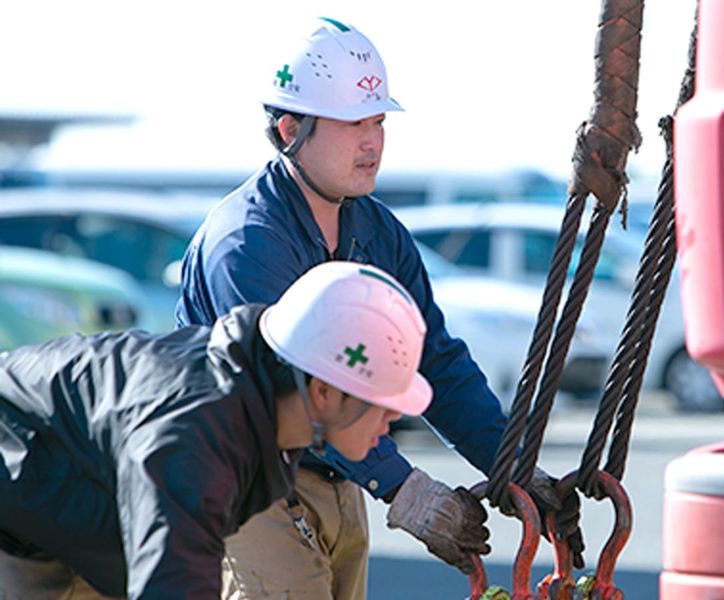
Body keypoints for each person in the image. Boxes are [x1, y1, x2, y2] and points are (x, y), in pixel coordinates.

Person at [176, 17, 584, 599]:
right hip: (246, 485)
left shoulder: (378, 231)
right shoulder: (246, 243)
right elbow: (291, 390)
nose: (372, 142)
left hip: (335, 476)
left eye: (378, 121)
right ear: (291, 128)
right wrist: (406, 490)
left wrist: (513, 468)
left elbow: (434, 363)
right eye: (351, 124)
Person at [0, 262, 459, 599]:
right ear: (322, 391)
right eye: (381, 402)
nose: (393, 421)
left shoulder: (260, 408)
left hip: (56, 514)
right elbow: (173, 586)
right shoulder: (194, 440)